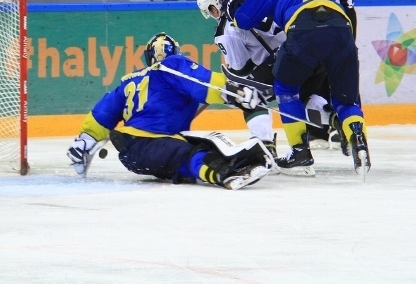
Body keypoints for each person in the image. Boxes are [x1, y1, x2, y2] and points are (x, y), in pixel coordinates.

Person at [229, 0, 370, 175]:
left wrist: (236, 8)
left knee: (286, 88)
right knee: (347, 100)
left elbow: (243, 21)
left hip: (304, 30)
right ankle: (359, 142)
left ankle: (300, 151)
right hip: (342, 30)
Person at [66, 32, 270, 190]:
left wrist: (86, 140)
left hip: (133, 153)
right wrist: (235, 92)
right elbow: (202, 83)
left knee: (184, 156)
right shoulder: (173, 64)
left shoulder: (130, 79)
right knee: (191, 155)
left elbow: (105, 112)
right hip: (153, 143)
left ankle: (221, 165)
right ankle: (223, 173)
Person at [196, 0, 339, 170]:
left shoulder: (225, 31)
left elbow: (242, 70)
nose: (213, 14)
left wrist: (232, 80)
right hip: (307, 47)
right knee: (301, 98)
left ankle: (265, 147)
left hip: (283, 63)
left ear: (215, 5)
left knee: (248, 96)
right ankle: (335, 119)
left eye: (211, 10)